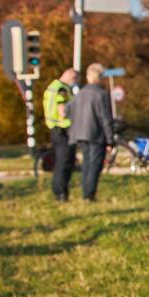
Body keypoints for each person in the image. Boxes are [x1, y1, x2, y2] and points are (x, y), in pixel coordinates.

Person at [67, 64, 113, 202]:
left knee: (86, 163)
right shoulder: (101, 94)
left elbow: (69, 111)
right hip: (96, 134)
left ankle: (86, 192)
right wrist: (110, 138)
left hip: (80, 133)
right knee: (95, 165)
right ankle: (89, 195)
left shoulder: (79, 94)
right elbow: (105, 118)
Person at [43, 68, 78, 202]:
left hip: (56, 129)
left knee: (60, 162)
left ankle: (60, 190)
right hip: (63, 130)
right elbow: (62, 110)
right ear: (71, 77)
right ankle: (61, 193)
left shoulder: (52, 87)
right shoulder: (61, 90)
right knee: (65, 162)